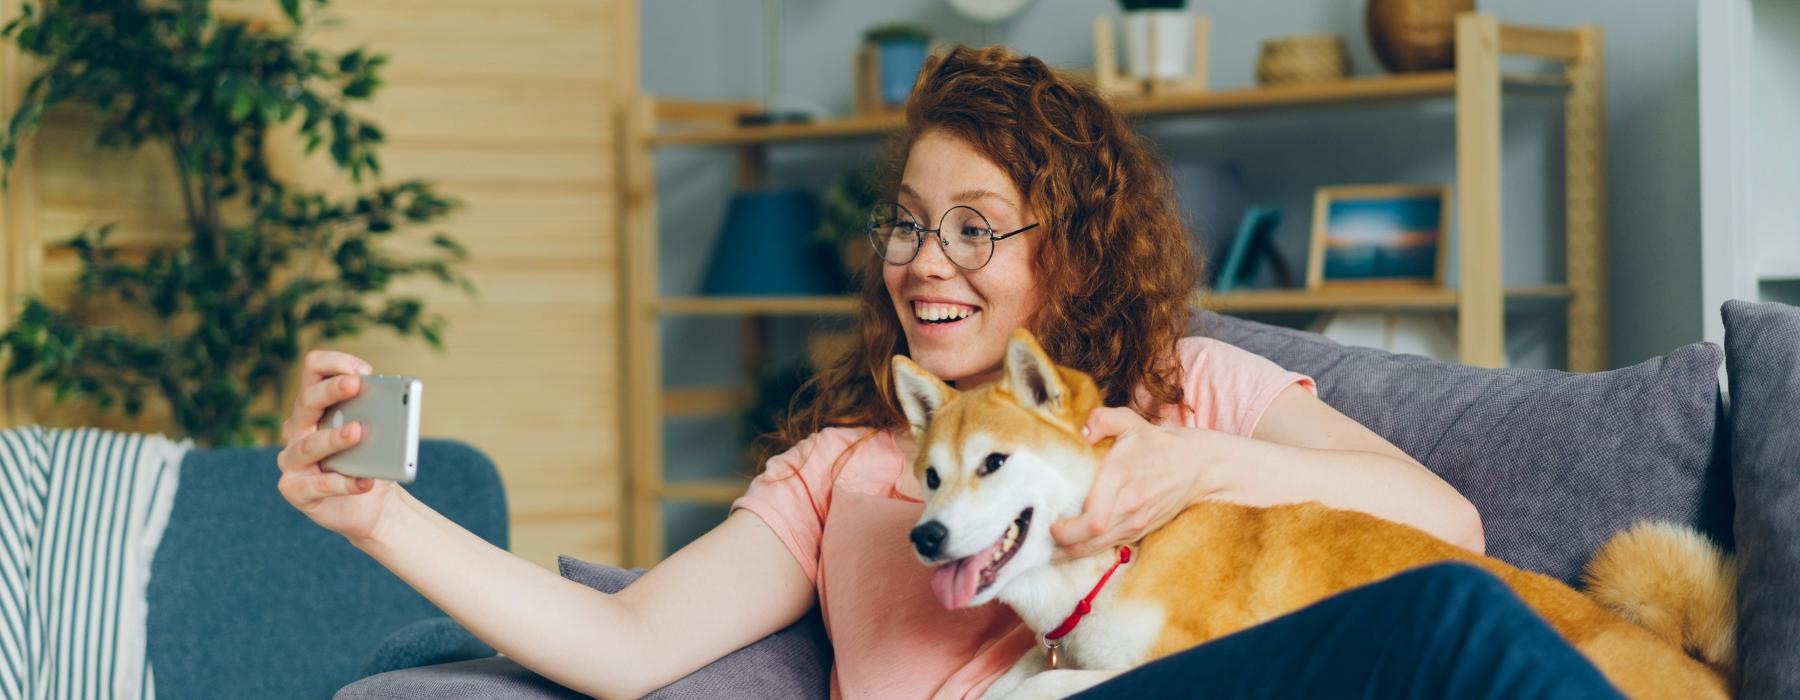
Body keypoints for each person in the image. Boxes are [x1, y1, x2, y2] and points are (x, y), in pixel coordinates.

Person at [277, 46, 1619, 699]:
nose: (927, 260)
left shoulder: (1188, 384)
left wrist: (1192, 465)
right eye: (909, 222)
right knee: (1458, 637)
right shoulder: (849, 474)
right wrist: (374, 514)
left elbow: (1449, 528)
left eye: (976, 229)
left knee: (1460, 624)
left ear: (1072, 252)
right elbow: (623, 646)